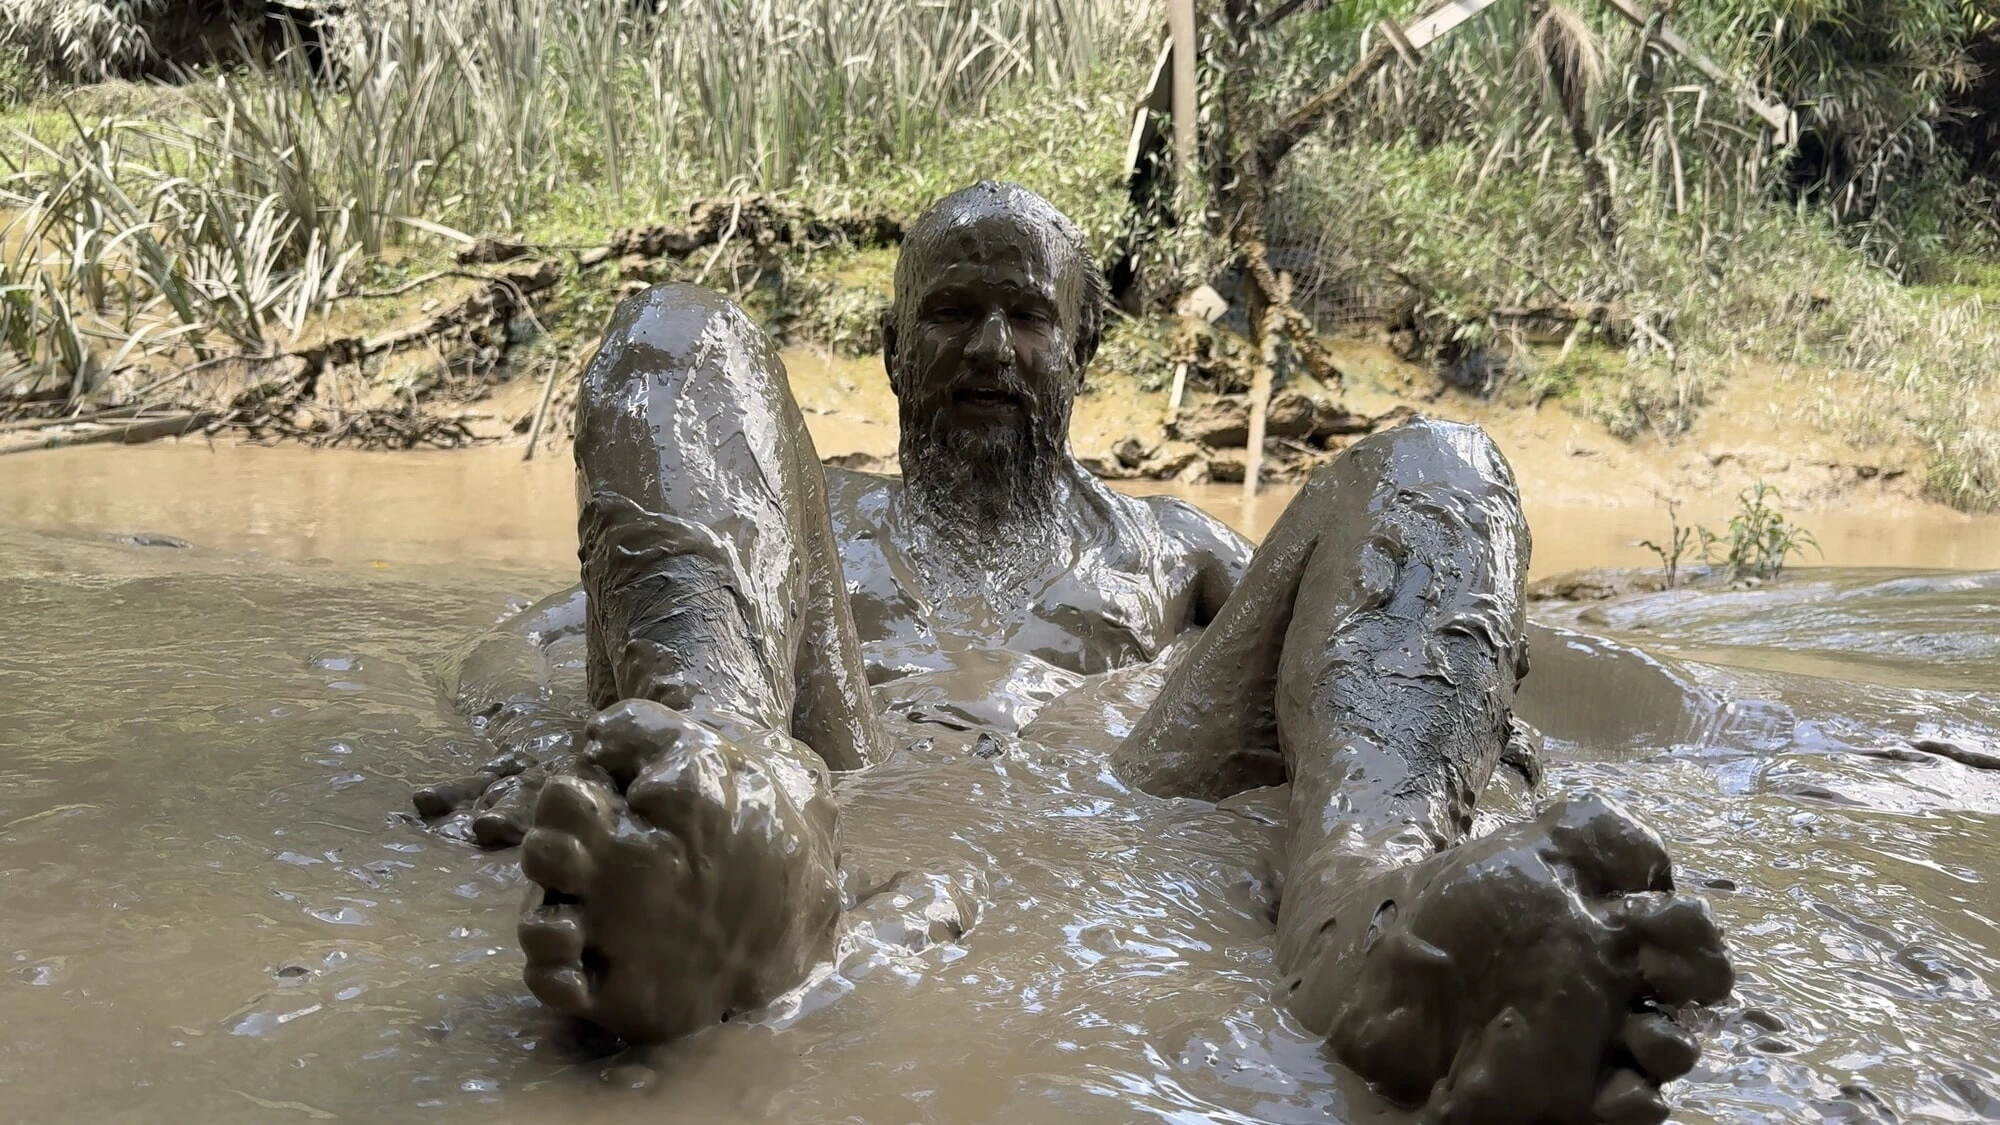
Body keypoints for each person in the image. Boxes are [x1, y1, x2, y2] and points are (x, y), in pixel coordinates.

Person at [421, 181, 1732, 1123]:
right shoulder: (810, 519)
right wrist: (557, 744)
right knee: (678, 331)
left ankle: (1381, 923)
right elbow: (539, 647)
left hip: (1131, 783)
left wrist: (1484, 750)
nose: (991, 346)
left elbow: (1380, 655)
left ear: (1084, 346)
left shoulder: (1183, 553)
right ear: (890, 348)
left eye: (1029, 316)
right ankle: (715, 820)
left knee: (1439, 462)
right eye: (951, 312)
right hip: (830, 761)